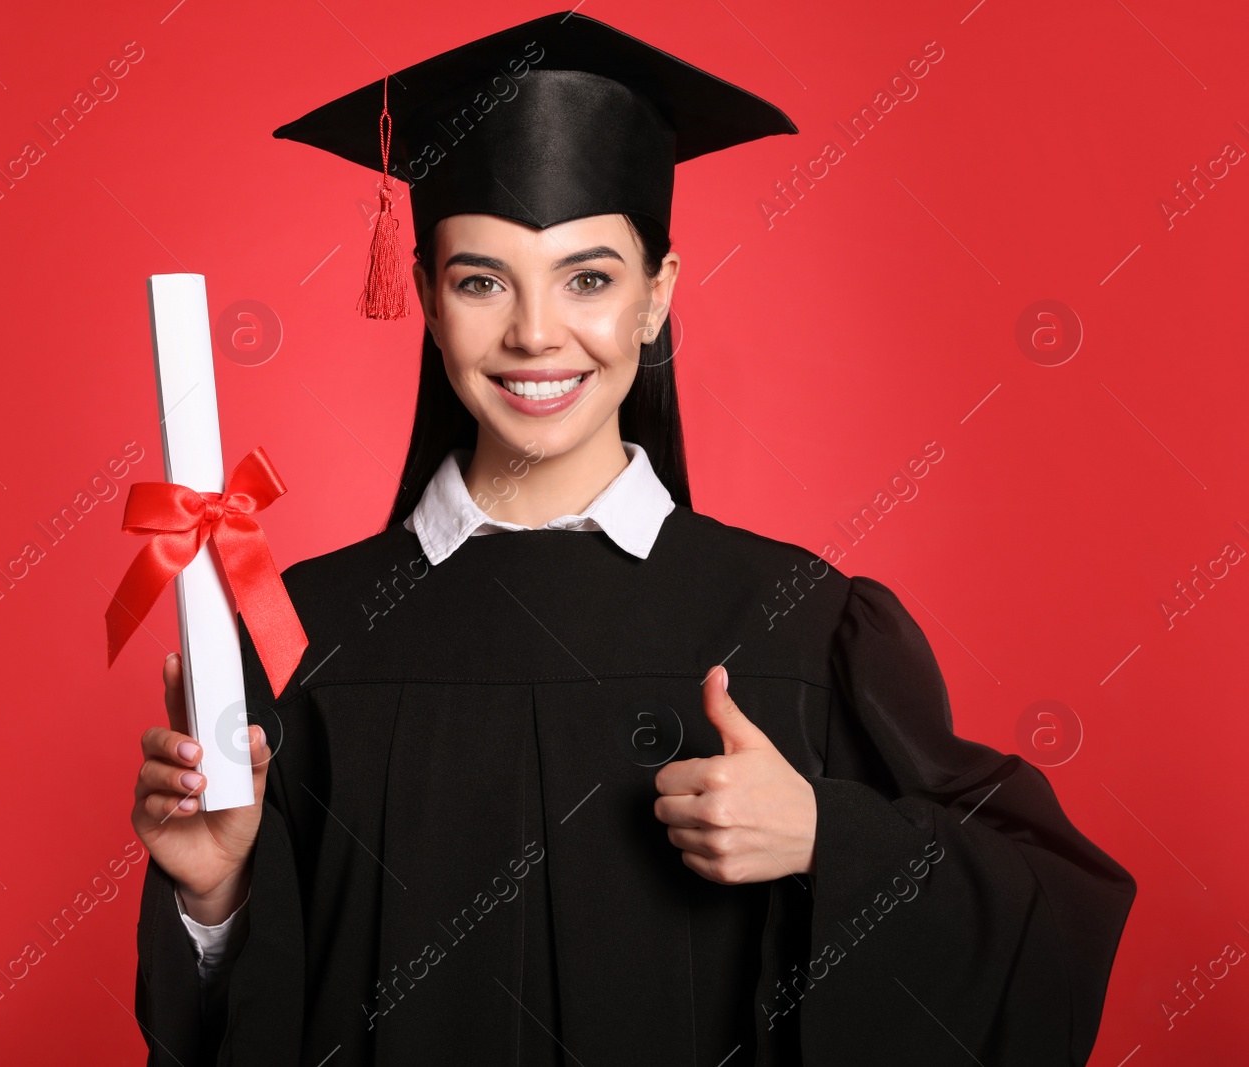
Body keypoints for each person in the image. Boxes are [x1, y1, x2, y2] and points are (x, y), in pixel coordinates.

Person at [130, 11, 1135, 1065]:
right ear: (425, 296)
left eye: (589, 277)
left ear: (656, 296)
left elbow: (1046, 918)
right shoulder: (302, 638)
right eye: (481, 279)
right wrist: (214, 899)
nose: (533, 332)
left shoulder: (792, 622)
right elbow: (245, 1025)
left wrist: (827, 840)